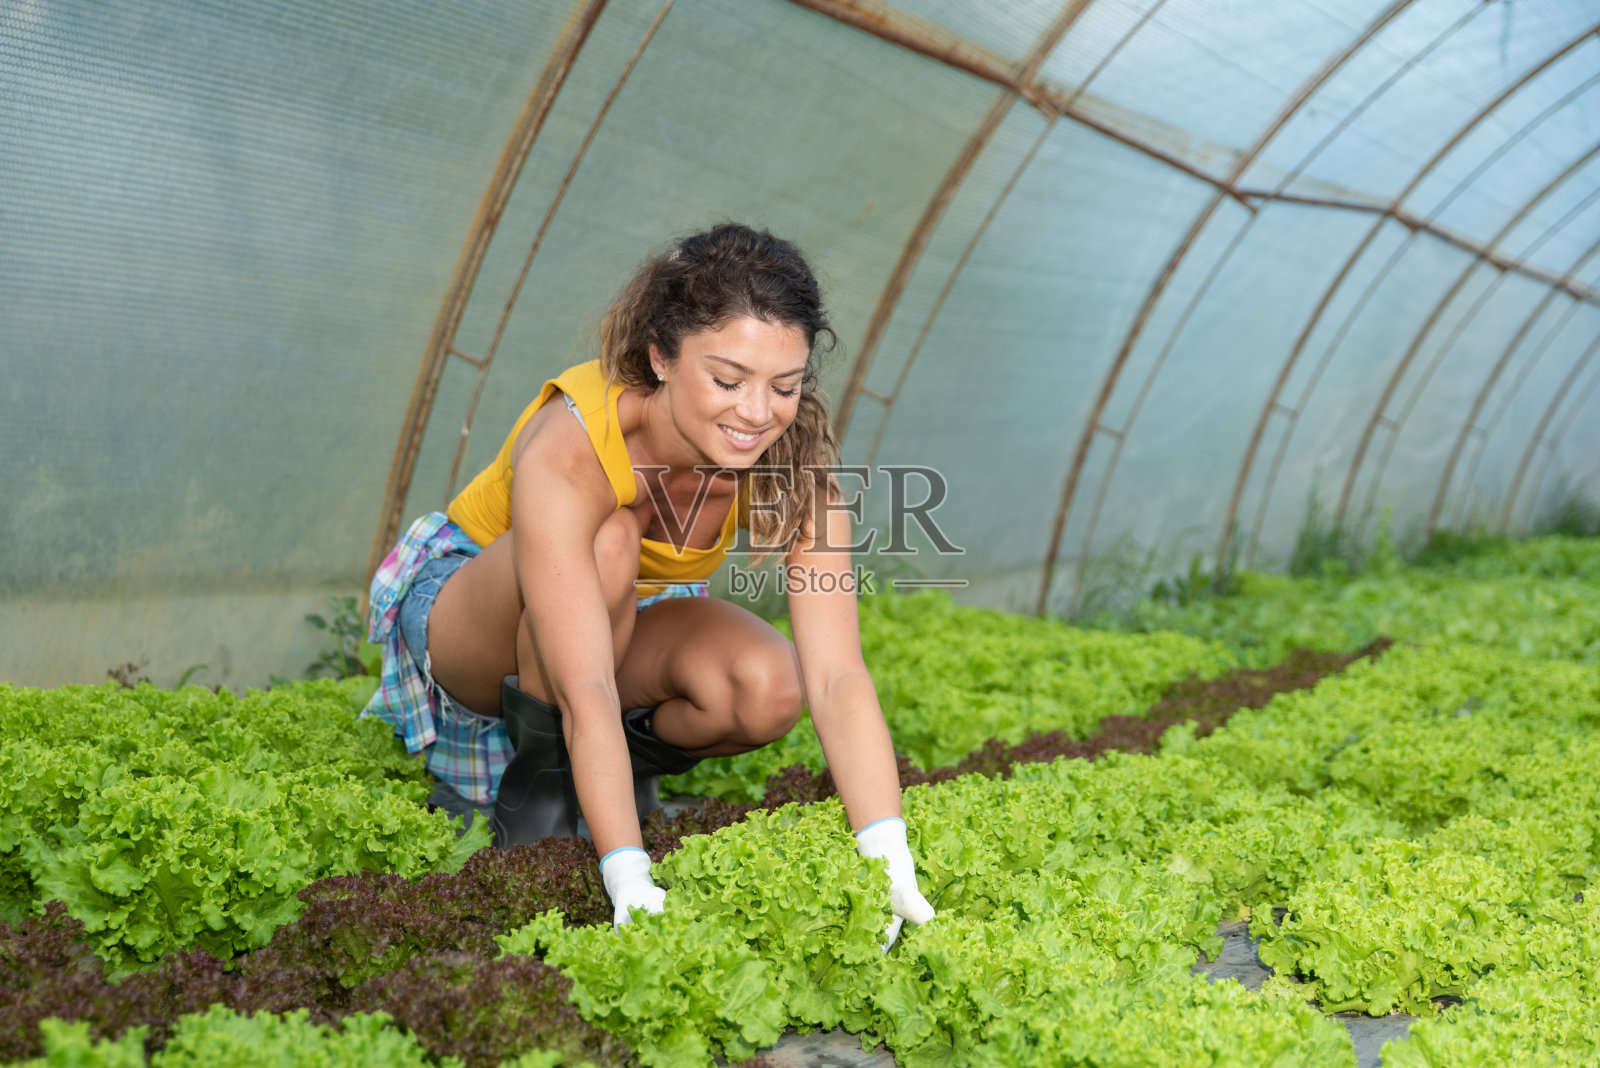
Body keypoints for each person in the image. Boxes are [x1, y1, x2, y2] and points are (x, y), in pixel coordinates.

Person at [363, 222, 935, 941]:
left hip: (617, 618)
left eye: (783, 386)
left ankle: (616, 775)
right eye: (727, 381)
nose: (756, 414)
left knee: (768, 682)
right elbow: (587, 683)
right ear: (660, 355)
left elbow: (837, 678)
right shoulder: (574, 445)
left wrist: (887, 853)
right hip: (468, 617)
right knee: (612, 539)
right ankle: (537, 787)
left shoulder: (790, 465)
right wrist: (628, 874)